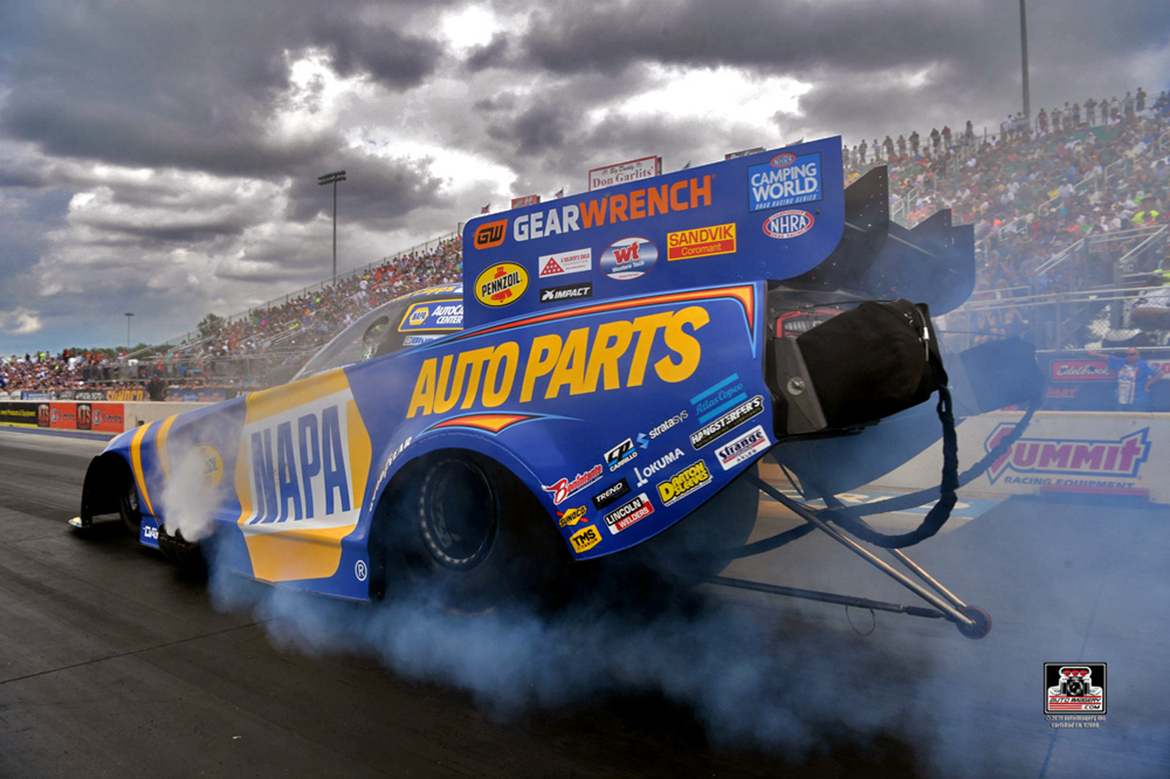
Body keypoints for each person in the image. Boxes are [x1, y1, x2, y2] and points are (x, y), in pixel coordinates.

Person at [1085, 347, 1163, 412]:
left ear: (1138, 355)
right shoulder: (1121, 362)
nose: (1129, 356)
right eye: (1127, 354)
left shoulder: (1144, 364)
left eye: (1132, 354)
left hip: (1139, 400)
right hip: (1122, 399)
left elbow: (1159, 373)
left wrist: (1147, 384)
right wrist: (1096, 354)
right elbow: (1108, 357)